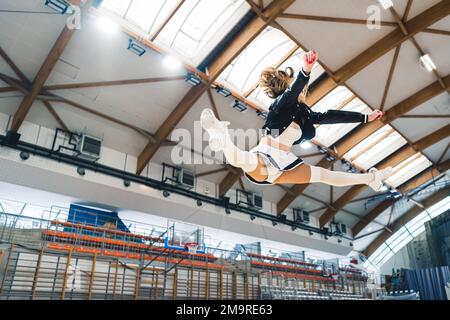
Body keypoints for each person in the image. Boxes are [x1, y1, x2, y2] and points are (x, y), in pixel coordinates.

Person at [200, 50, 393, 191]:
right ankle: (221, 133)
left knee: (324, 175)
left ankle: (371, 178)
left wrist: (365, 117)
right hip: (267, 152)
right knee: (240, 160)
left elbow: (331, 115)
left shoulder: (305, 114)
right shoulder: (280, 104)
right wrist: (306, 70)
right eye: (300, 88)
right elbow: (292, 92)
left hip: (285, 161)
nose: (303, 91)